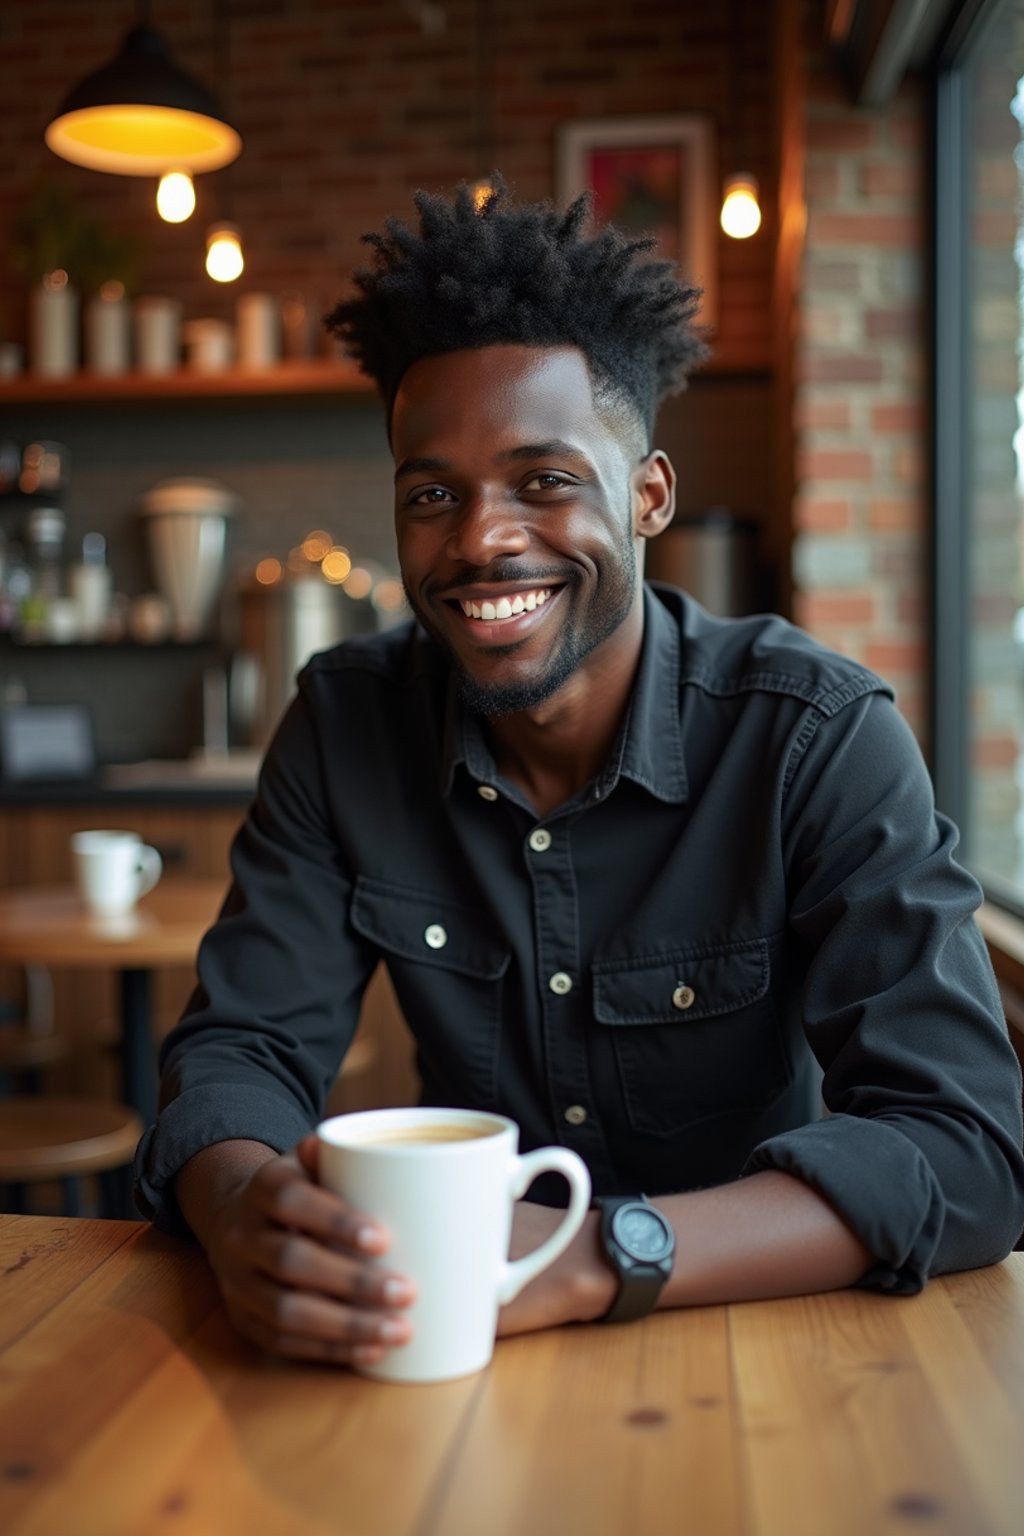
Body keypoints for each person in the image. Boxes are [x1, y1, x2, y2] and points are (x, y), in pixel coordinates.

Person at [135, 180, 1024, 1367]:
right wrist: (243, 1206)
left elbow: (964, 1151)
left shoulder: (812, 735)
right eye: (431, 495)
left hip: (761, 1350)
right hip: (446, 1342)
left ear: (647, 496)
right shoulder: (346, 722)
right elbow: (240, 1050)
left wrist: (596, 1258)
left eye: (544, 481)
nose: (482, 539)